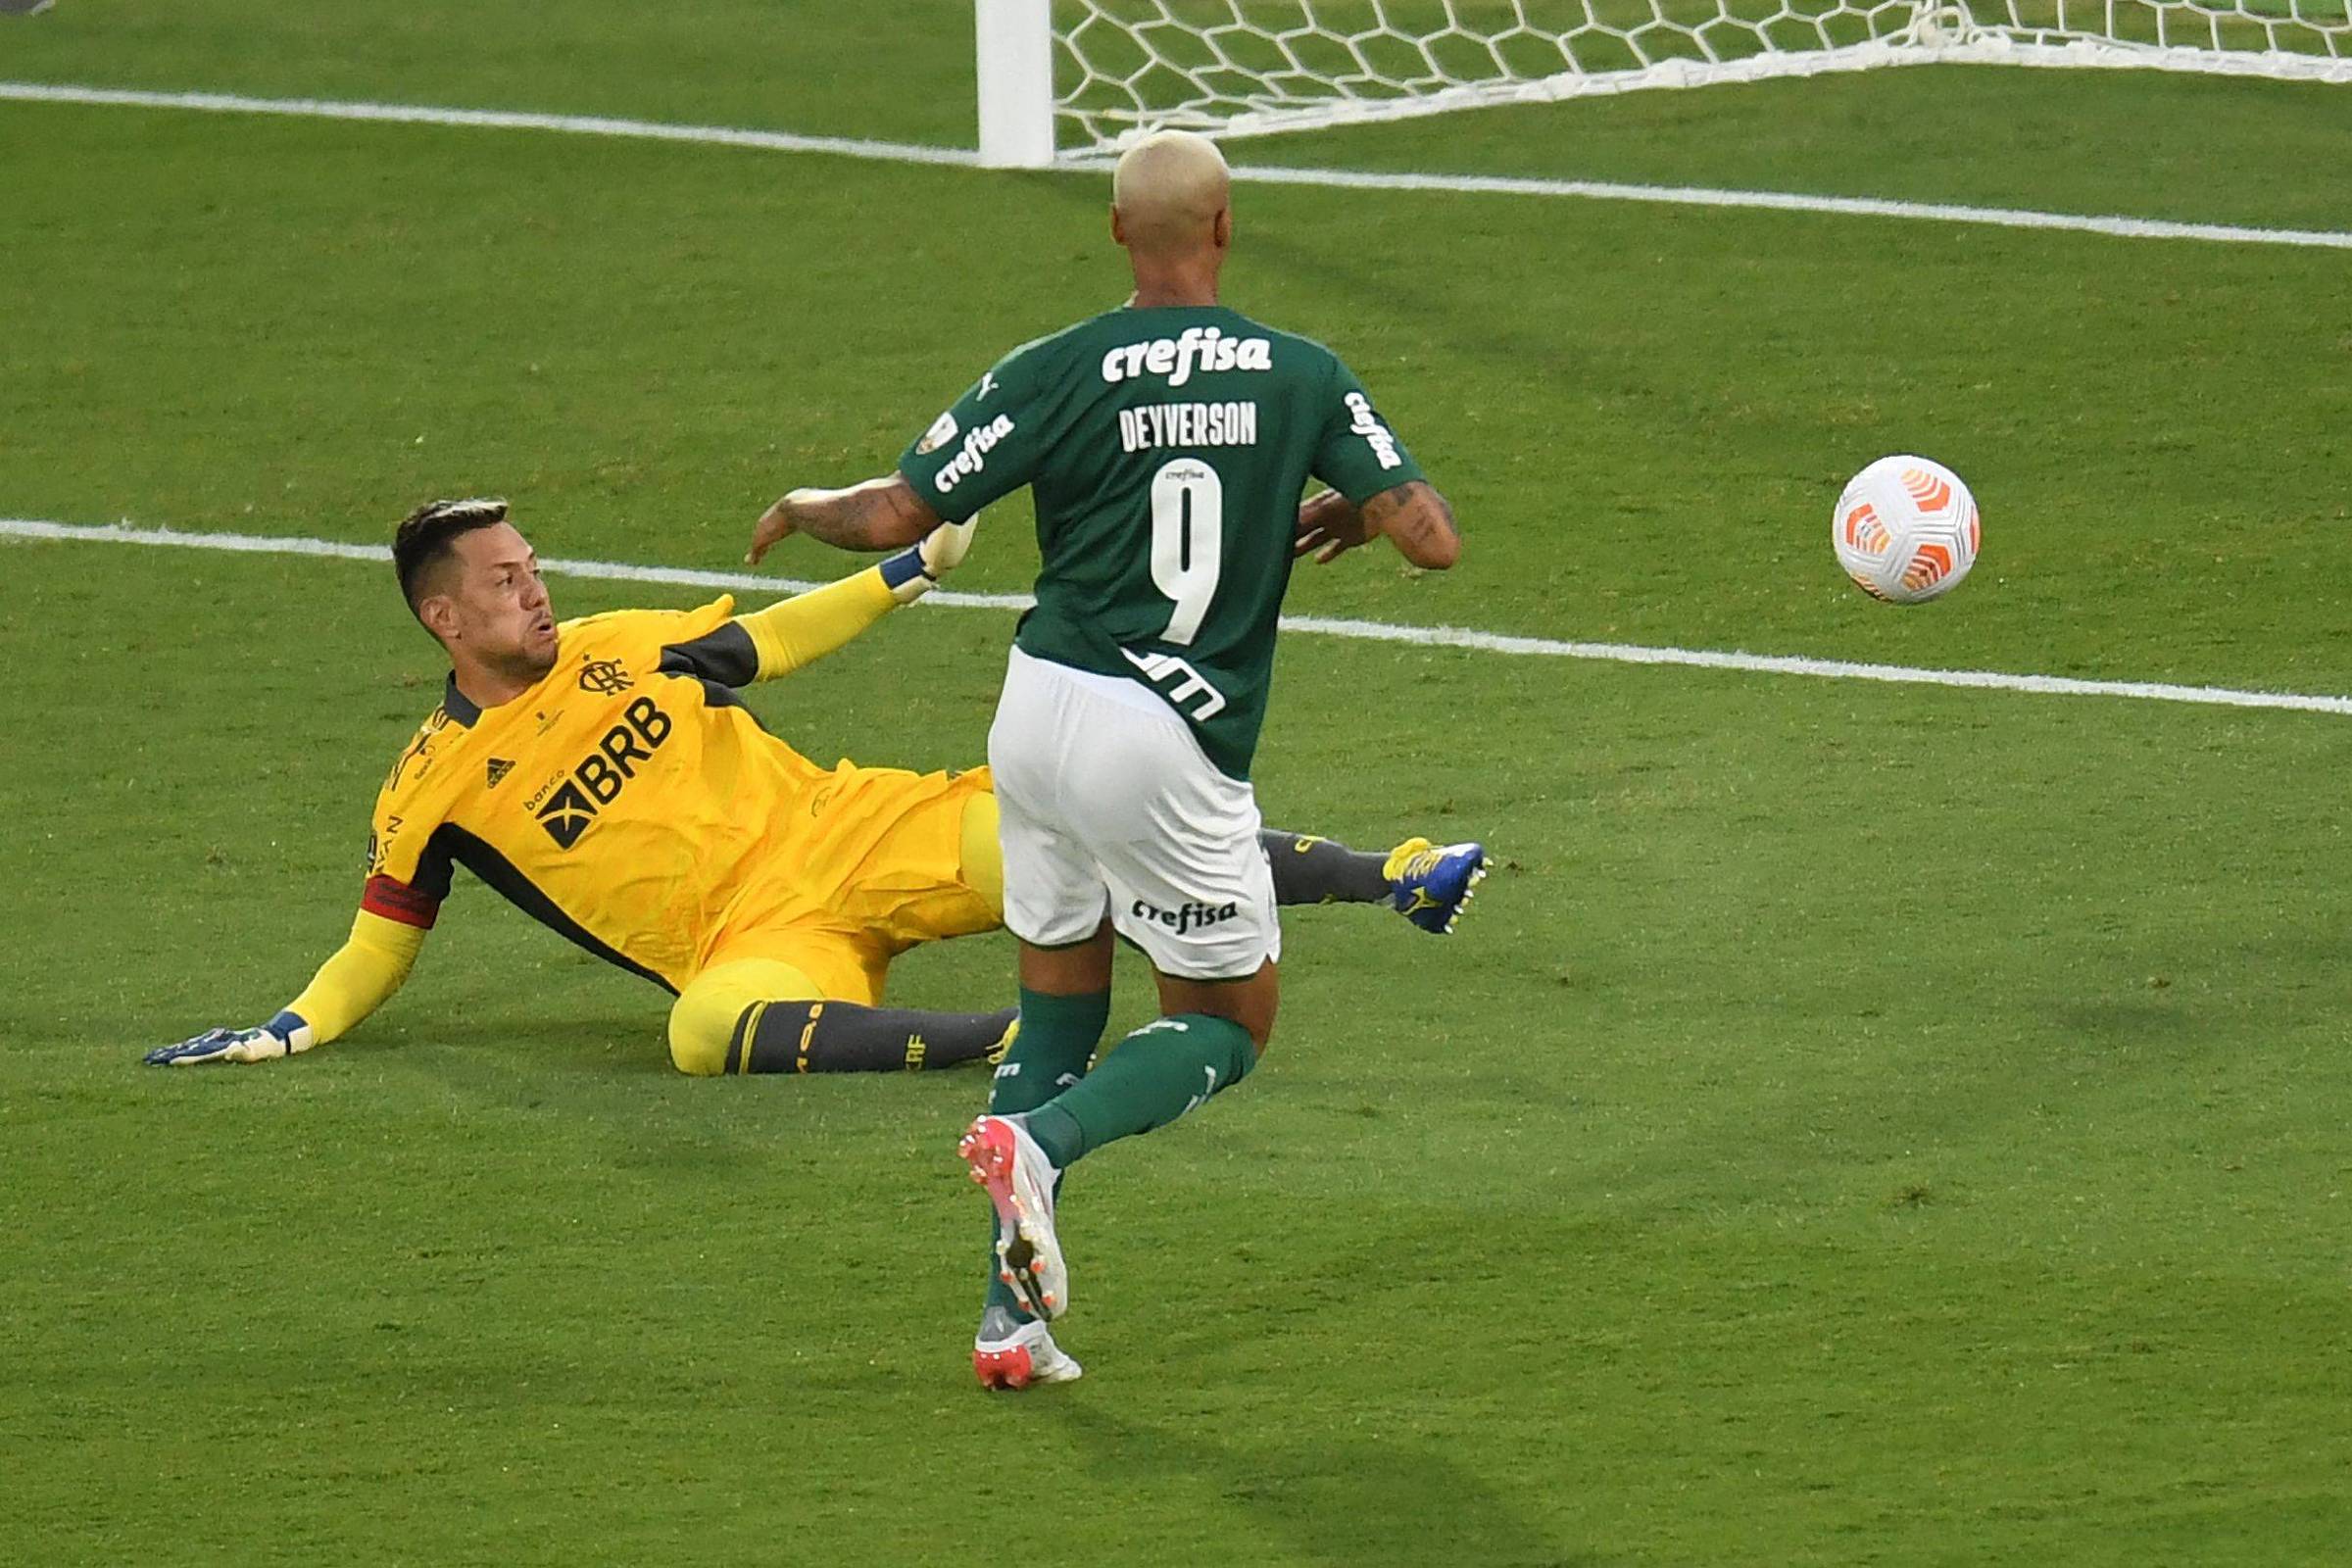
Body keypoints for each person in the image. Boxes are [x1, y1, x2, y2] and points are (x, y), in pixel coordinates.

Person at [746, 128, 1469, 1386]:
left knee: (1058, 1007)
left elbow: (898, 515)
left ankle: (1005, 1319)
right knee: (1228, 1021)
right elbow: (1434, 540)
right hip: (1165, 735)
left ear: (1119, 234)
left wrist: (811, 508)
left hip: (1036, 710)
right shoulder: (1301, 374)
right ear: (1228, 226)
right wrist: (1357, 499)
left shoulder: (1053, 367)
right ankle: (1047, 1146)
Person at [147, 498, 1478, 1080]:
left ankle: (1392, 873)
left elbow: (770, 639)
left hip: (854, 828)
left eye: (534, 564)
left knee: (1104, 834)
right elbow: (381, 941)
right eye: (505, 580)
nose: (536, 588)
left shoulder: (618, 646)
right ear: (443, 620)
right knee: (697, 1036)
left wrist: (911, 573)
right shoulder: (431, 789)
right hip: (756, 941)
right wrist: (290, 1026)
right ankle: (1003, 1041)